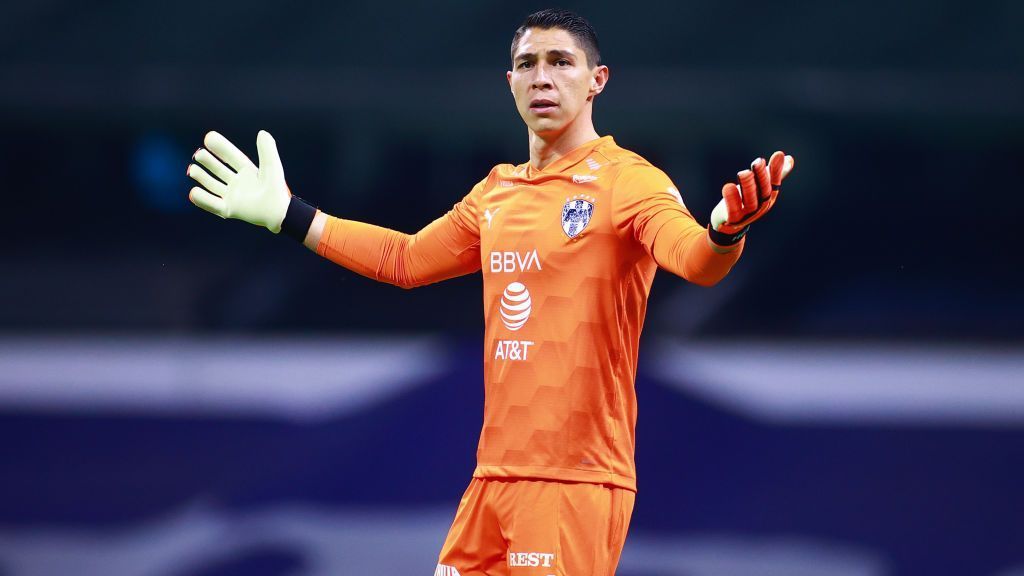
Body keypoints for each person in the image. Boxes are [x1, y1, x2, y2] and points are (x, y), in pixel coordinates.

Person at [186, 8, 794, 575]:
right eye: (528, 64)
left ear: (597, 80)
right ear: (510, 82)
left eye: (561, 62)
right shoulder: (496, 192)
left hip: (574, 481)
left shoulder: (628, 182)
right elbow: (405, 260)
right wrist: (289, 215)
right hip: (492, 480)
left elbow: (694, 260)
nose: (542, 77)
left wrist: (724, 233)